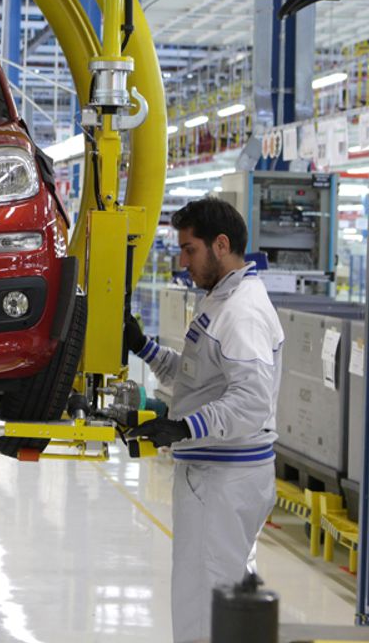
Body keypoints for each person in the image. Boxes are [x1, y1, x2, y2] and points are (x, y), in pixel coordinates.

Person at [121, 197, 284, 643]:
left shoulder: (243, 312)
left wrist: (184, 427)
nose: (183, 261)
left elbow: (251, 400)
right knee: (201, 592)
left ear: (221, 245)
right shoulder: (221, 299)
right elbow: (199, 379)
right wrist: (144, 348)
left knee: (207, 600)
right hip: (214, 474)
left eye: (189, 249)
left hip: (225, 480)